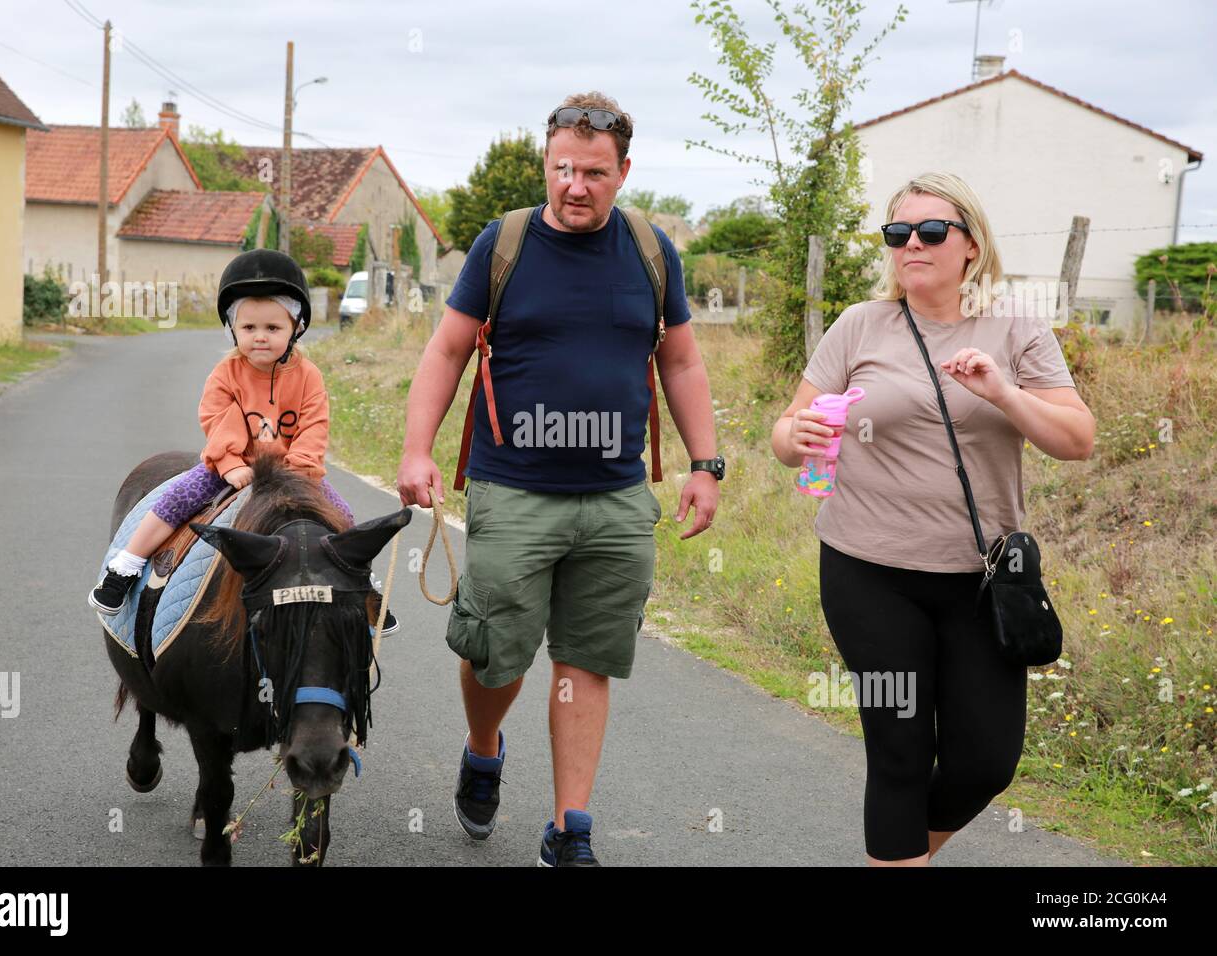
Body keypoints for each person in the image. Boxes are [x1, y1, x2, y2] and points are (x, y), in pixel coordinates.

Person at [395, 91, 722, 866]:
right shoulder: (503, 243)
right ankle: (483, 749)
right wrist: (417, 450)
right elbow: (447, 352)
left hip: (615, 496)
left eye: (594, 173)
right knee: (492, 651)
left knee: (587, 659)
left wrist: (706, 466)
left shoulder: (650, 250)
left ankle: (569, 828)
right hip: (514, 488)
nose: (575, 186)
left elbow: (679, 359)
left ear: (623, 172)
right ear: (548, 163)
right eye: (563, 169)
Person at [772, 172, 1095, 866]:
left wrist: (1004, 392)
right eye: (897, 233)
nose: (911, 244)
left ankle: (898, 856)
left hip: (980, 581)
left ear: (971, 245)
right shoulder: (861, 323)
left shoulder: (1017, 328)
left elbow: (1076, 440)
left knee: (986, 761)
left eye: (930, 231)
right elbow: (789, 428)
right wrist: (791, 438)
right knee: (900, 753)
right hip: (868, 571)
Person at [89, 249, 395, 633]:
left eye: (272, 328)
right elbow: (218, 419)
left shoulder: (309, 376)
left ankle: (361, 585)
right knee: (178, 498)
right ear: (234, 329)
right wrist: (232, 464)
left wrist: (296, 473)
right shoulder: (226, 373)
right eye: (249, 328)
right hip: (229, 469)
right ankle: (127, 566)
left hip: (291, 473)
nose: (261, 337)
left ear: (295, 328)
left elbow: (314, 428)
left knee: (342, 515)